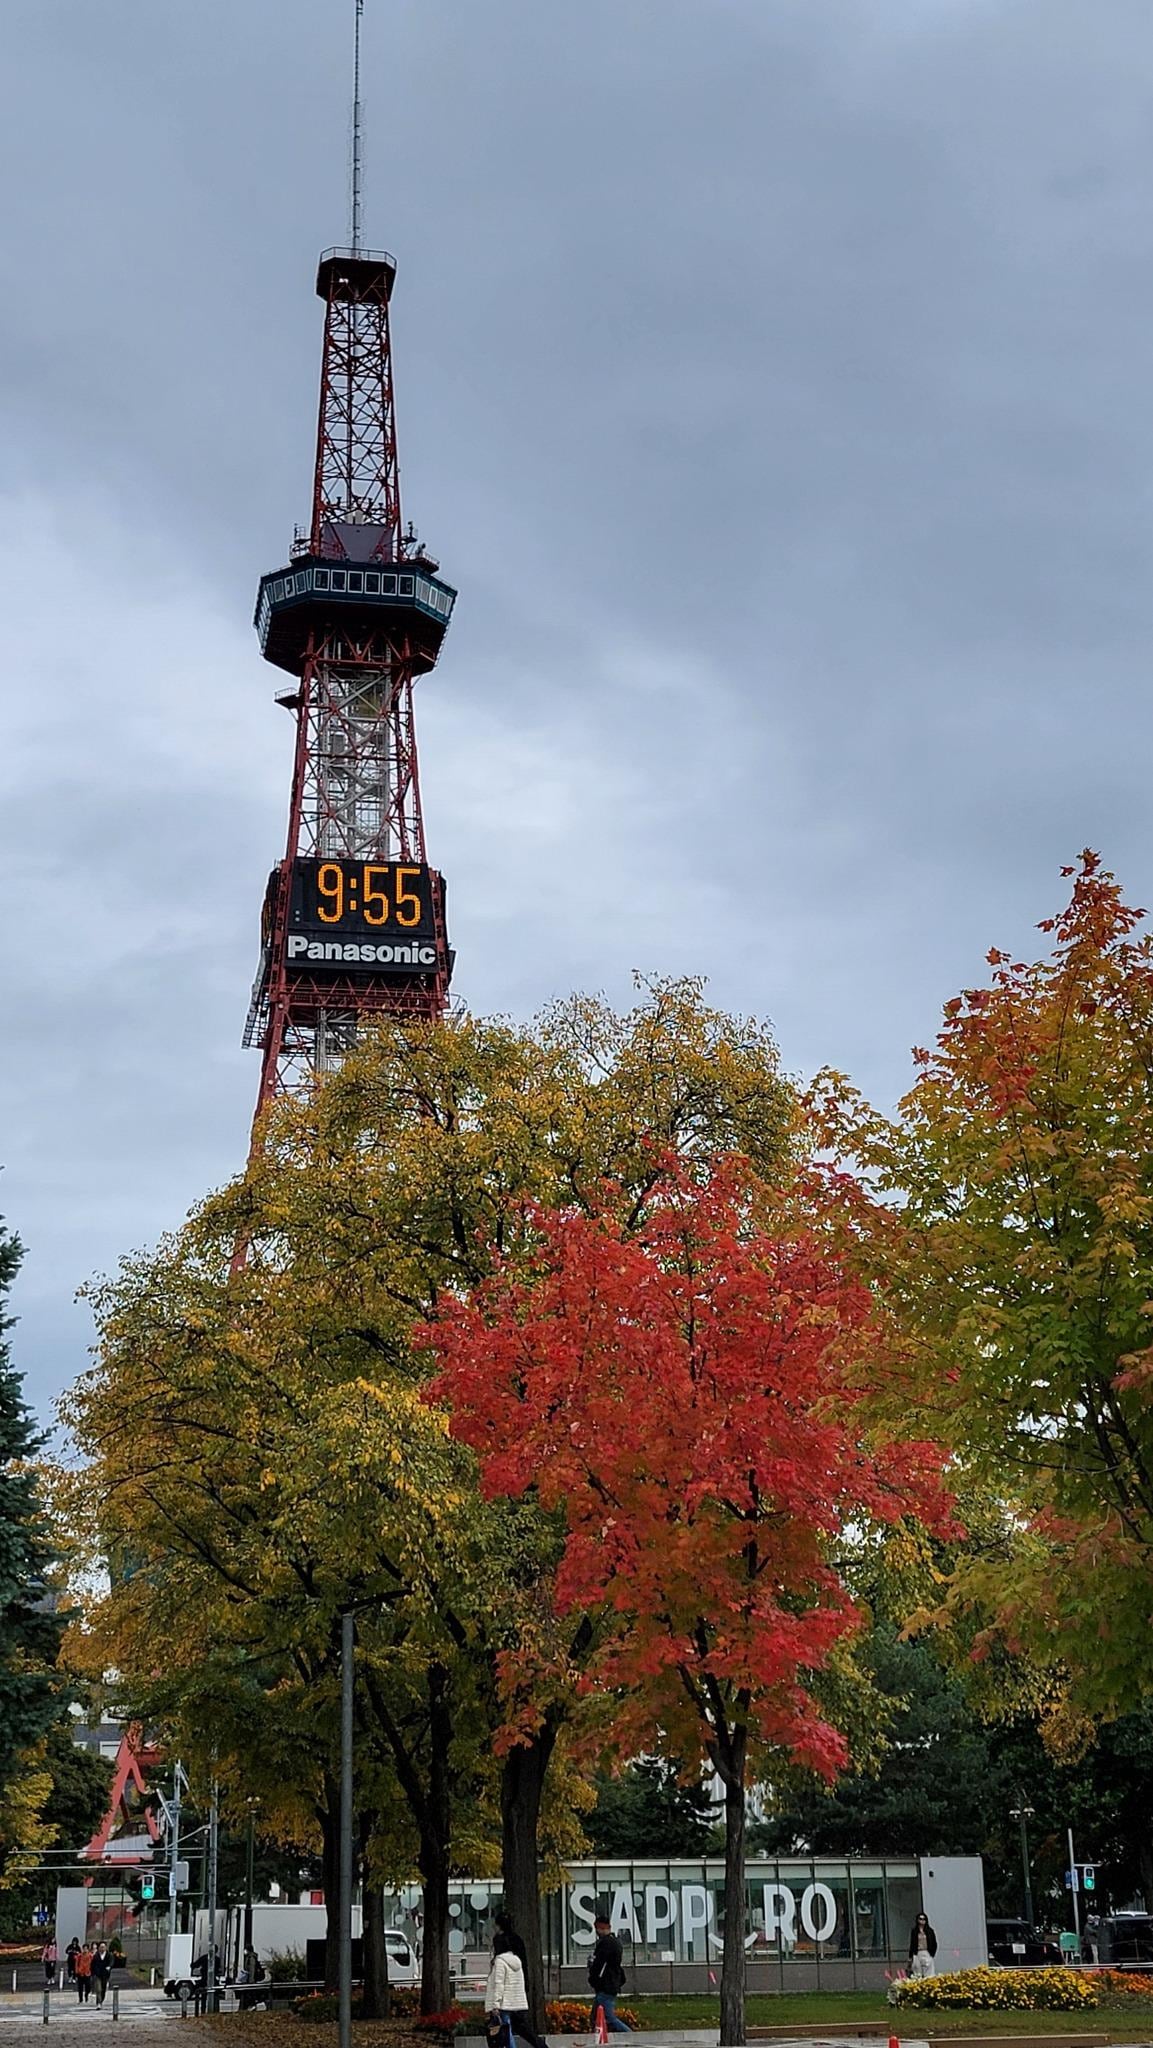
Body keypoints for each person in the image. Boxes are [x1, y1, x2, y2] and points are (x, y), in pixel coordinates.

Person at [485, 1925, 547, 2048]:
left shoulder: (500, 1962)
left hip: (504, 2003)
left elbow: (499, 1984)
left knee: (506, 2032)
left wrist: (495, 2004)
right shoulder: (516, 1961)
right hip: (515, 2002)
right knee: (517, 2029)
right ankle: (541, 2046)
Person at [588, 1913, 633, 2034]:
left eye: (597, 1928)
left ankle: (631, 2036)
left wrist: (594, 1978)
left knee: (608, 2017)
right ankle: (598, 2038)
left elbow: (599, 1965)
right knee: (595, 2017)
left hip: (606, 1986)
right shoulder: (615, 1943)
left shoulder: (606, 1944)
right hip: (610, 1984)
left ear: (601, 1928)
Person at [908, 1913, 938, 1978]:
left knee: (929, 1973)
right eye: (920, 1919)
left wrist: (932, 1954)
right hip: (917, 1953)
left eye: (924, 1919)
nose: (922, 1921)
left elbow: (934, 1943)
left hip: (927, 1952)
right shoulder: (914, 1931)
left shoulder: (930, 1931)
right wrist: (910, 1956)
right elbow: (912, 1944)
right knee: (917, 1973)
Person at [92, 1942, 112, 2006]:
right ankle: (98, 2002)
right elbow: (93, 1964)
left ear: (106, 1947)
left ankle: (101, 2000)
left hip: (105, 1975)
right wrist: (94, 1972)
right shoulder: (96, 1955)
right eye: (101, 1947)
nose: (102, 1948)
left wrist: (109, 1967)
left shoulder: (109, 1955)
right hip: (98, 1974)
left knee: (103, 1989)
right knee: (98, 1989)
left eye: (103, 1947)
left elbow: (111, 1962)